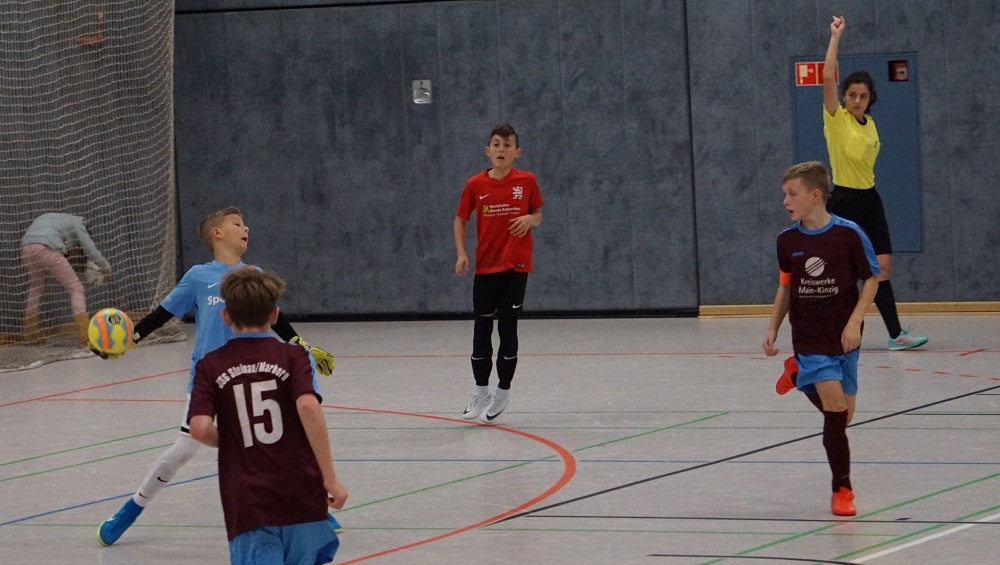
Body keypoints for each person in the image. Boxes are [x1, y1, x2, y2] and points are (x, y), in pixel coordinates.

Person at [97, 206, 340, 547]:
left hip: (252, 374)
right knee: (183, 450)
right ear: (217, 233)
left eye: (245, 224)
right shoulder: (198, 276)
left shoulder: (253, 274)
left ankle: (312, 508)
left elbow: (277, 319)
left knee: (281, 445)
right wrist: (129, 340)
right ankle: (131, 509)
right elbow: (161, 315)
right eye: (237, 223)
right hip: (210, 379)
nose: (246, 228)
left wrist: (303, 346)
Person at [188, 266, 347, 565]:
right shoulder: (294, 355)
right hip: (301, 493)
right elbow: (308, 407)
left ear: (226, 317)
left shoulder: (210, 365)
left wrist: (230, 438)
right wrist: (330, 478)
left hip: (248, 501)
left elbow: (198, 428)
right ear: (274, 315)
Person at [762, 161, 881, 517]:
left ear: (815, 196)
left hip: (845, 337)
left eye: (792, 194)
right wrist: (773, 327)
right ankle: (842, 490)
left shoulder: (848, 234)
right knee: (834, 412)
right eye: (784, 194)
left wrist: (855, 321)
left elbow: (871, 279)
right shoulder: (788, 241)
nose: (785, 201)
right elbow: (786, 288)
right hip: (810, 337)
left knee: (844, 416)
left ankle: (797, 374)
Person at [822, 15, 928, 351]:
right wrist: (835, 37)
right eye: (852, 95)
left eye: (863, 96)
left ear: (870, 99)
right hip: (843, 201)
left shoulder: (870, 124)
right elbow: (827, 76)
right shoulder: (836, 121)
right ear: (844, 97)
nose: (857, 100)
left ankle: (896, 334)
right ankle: (838, 328)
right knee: (843, 272)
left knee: (881, 268)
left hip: (870, 200)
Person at [454, 123, 543, 424]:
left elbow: (538, 214)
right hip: (486, 267)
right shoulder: (475, 185)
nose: (501, 149)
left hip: (516, 266)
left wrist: (529, 219)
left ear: (517, 152)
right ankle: (481, 391)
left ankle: (503, 391)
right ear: (487, 150)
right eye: (496, 144)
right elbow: (460, 219)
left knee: (508, 327)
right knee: (481, 329)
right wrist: (462, 253)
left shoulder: (527, 181)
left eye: (507, 145)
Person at [20, 212, 111, 345]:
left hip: (26, 248)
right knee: (76, 289)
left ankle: (30, 334)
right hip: (47, 248)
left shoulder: (55, 219)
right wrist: (106, 269)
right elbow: (90, 249)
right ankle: (85, 336)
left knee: (36, 287)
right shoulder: (79, 224)